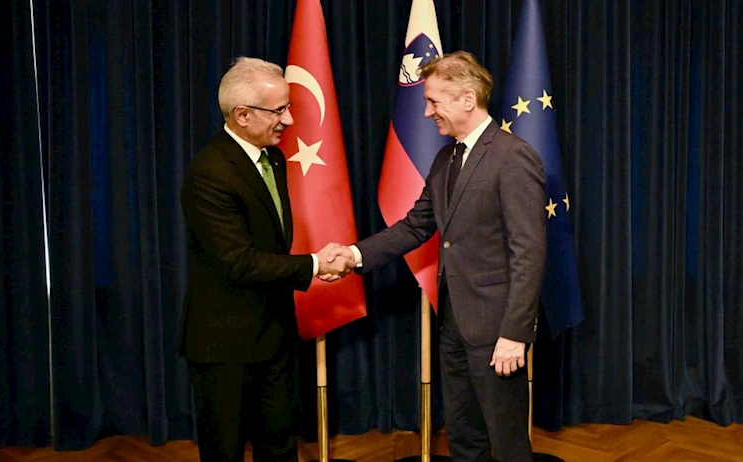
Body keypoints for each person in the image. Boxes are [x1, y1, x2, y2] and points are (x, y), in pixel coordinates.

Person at [329, 51, 546, 461]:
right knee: (463, 436)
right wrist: (353, 255)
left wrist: (515, 333)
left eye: (433, 101)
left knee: (507, 442)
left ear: (468, 99)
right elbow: (415, 226)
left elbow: (529, 252)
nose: (427, 112)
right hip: (454, 323)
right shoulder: (446, 158)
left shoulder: (513, 156)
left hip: (497, 329)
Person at [179, 57, 354, 462]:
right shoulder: (210, 171)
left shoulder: (272, 158)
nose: (288, 120)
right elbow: (237, 263)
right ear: (242, 114)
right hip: (225, 343)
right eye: (278, 110)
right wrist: (315, 265)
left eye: (288, 107)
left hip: (274, 334)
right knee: (224, 452)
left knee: (280, 447)